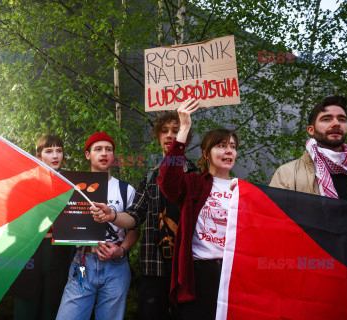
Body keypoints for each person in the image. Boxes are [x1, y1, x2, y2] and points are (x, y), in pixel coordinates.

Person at [91, 110, 197, 320]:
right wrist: (112, 215)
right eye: (164, 131)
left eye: (176, 131)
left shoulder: (196, 176)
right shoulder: (150, 177)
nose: (170, 135)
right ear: (158, 136)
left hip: (188, 269)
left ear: (185, 135)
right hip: (154, 267)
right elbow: (133, 217)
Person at [153, 98, 239, 319]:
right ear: (205, 153)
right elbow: (168, 179)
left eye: (232, 146)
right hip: (200, 274)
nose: (228, 151)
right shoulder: (194, 183)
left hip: (234, 273)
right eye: (221, 145)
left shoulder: (241, 189)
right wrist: (184, 128)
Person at [56, 132, 139, 320]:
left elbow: (134, 230)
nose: (104, 153)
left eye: (109, 150)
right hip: (83, 260)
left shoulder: (126, 190)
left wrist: (122, 250)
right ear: (88, 154)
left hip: (116, 265)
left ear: (113, 156)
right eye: (98, 149)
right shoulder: (73, 187)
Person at [269, 95, 347, 214]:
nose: (336, 124)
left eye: (342, 119)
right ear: (311, 130)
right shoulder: (286, 174)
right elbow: (272, 220)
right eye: (326, 119)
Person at [10, 134, 73, 320]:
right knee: (26, 310)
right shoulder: (24, 183)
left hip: (59, 253)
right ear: (38, 156)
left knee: (52, 310)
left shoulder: (70, 184)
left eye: (59, 151)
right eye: (49, 151)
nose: (55, 156)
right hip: (29, 253)